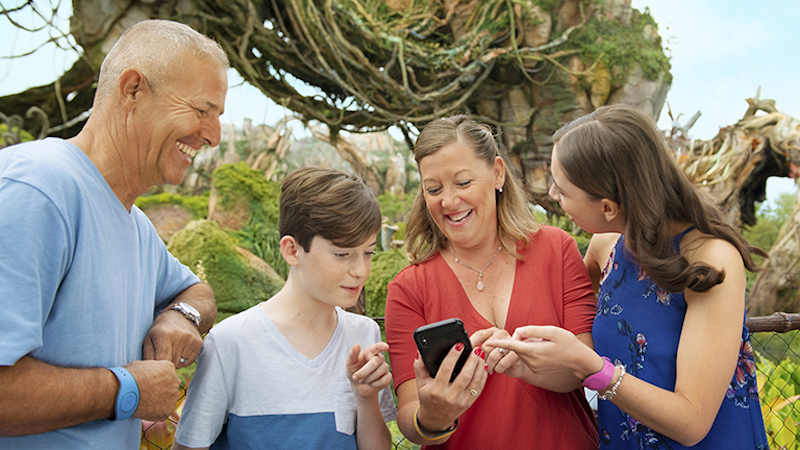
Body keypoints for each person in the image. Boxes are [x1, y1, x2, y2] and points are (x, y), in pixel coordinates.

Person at [487, 104, 770, 449]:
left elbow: (692, 422)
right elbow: (563, 309)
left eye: (562, 190)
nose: (554, 197)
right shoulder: (607, 246)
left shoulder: (711, 262)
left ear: (607, 207)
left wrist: (592, 368)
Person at [0, 20, 225, 449]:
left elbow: (198, 292)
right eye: (202, 110)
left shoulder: (134, 222)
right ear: (133, 89)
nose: (212, 135)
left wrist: (181, 316)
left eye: (218, 116)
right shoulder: (38, 190)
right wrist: (126, 391)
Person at [385, 115, 599, 449]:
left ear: (497, 172)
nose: (449, 201)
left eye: (463, 182)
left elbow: (585, 367)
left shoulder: (557, 250)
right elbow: (410, 414)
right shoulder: (408, 289)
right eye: (434, 189)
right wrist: (434, 416)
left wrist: (524, 365)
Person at [173, 167, 397, 450]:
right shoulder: (231, 343)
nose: (360, 270)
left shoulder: (364, 334)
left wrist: (366, 400)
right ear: (292, 250)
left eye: (368, 252)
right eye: (342, 254)